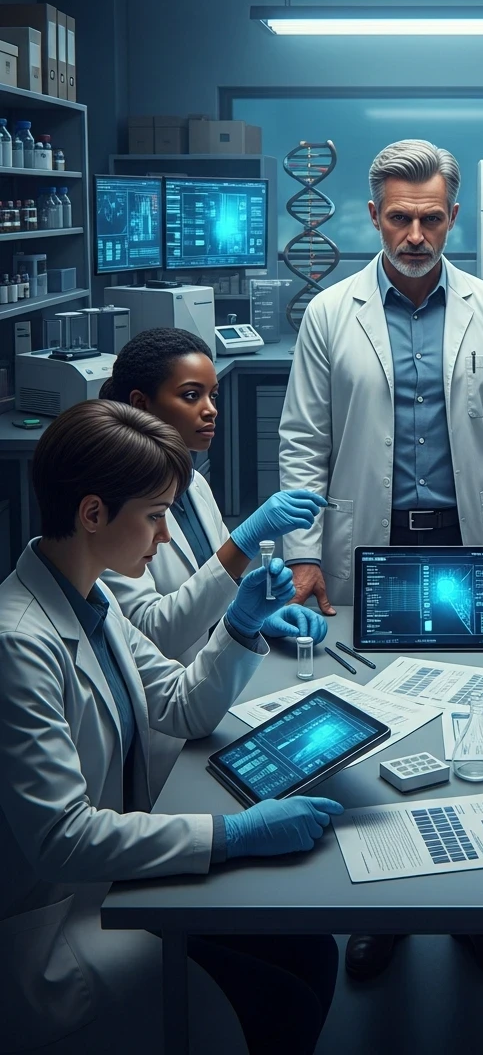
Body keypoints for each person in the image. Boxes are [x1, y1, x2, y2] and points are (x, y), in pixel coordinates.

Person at [280, 138, 483, 983]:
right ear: (373, 216)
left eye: (430, 217)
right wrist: (305, 552)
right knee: (371, 715)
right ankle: (384, 911)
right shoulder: (329, 312)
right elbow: (305, 442)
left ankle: (472, 906)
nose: (415, 233)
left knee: (471, 716)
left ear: (452, 216)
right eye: (399, 217)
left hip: (465, 539)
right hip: (366, 542)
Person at [0, 401, 344, 1055]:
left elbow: (182, 706)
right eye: (155, 517)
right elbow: (62, 839)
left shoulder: (91, 596)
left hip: (124, 880)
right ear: (93, 513)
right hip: (55, 930)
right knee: (283, 1003)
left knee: (310, 953)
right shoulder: (18, 642)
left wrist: (240, 626)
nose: (165, 539)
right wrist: (233, 835)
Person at [99, 328, 329, 795]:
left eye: (212, 394)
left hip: (219, 689)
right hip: (171, 727)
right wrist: (245, 539)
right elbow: (151, 633)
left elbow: (219, 590)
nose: (210, 409)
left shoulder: (194, 485)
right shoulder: (114, 512)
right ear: (141, 404)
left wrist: (259, 616)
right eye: (191, 395)